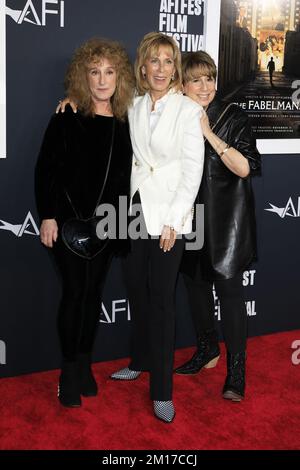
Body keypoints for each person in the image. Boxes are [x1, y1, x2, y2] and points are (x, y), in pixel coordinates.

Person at [110, 32, 205, 422]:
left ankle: (162, 391)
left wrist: (175, 221)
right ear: (143, 67)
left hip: (170, 216)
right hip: (133, 212)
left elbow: (192, 170)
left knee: (163, 300)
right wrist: (71, 103)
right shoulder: (131, 106)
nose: (162, 69)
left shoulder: (188, 110)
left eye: (168, 61)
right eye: (155, 61)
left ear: (174, 67)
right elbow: (98, 112)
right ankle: (141, 360)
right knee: (137, 291)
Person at [35, 38, 134, 408]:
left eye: (109, 72)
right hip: (65, 223)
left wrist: (123, 227)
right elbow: (46, 169)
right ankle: (67, 371)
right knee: (75, 294)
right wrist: (47, 215)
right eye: (94, 72)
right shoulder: (67, 116)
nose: (102, 79)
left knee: (93, 296)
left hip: (108, 227)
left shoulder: (126, 122)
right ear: (83, 76)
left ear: (120, 77)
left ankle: (85, 365)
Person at [175, 51, 261, 402]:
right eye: (196, 79)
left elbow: (244, 168)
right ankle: (207, 349)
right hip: (190, 218)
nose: (205, 86)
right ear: (182, 84)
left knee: (229, 294)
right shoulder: (175, 115)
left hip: (228, 220)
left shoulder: (233, 115)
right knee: (195, 288)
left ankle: (236, 371)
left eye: (209, 78)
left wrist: (208, 133)